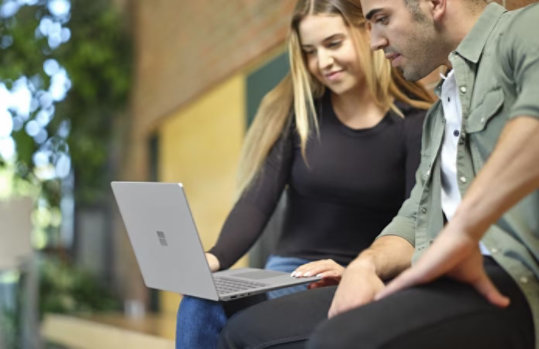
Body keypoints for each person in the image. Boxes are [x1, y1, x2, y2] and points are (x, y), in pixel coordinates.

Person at [218, 0, 539, 348]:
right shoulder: (439, 113)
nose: (374, 41)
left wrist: (460, 233)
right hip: (437, 279)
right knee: (242, 332)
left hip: (512, 280)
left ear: (435, 3)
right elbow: (414, 217)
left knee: (339, 340)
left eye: (382, 19)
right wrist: (365, 265)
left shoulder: (526, 28)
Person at [175, 0, 435, 347]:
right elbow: (256, 201)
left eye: (333, 44)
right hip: (287, 273)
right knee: (199, 301)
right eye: (310, 51)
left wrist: (363, 270)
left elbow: (416, 221)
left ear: (366, 31)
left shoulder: (416, 122)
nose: (322, 62)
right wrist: (213, 257)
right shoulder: (297, 114)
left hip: (359, 274)